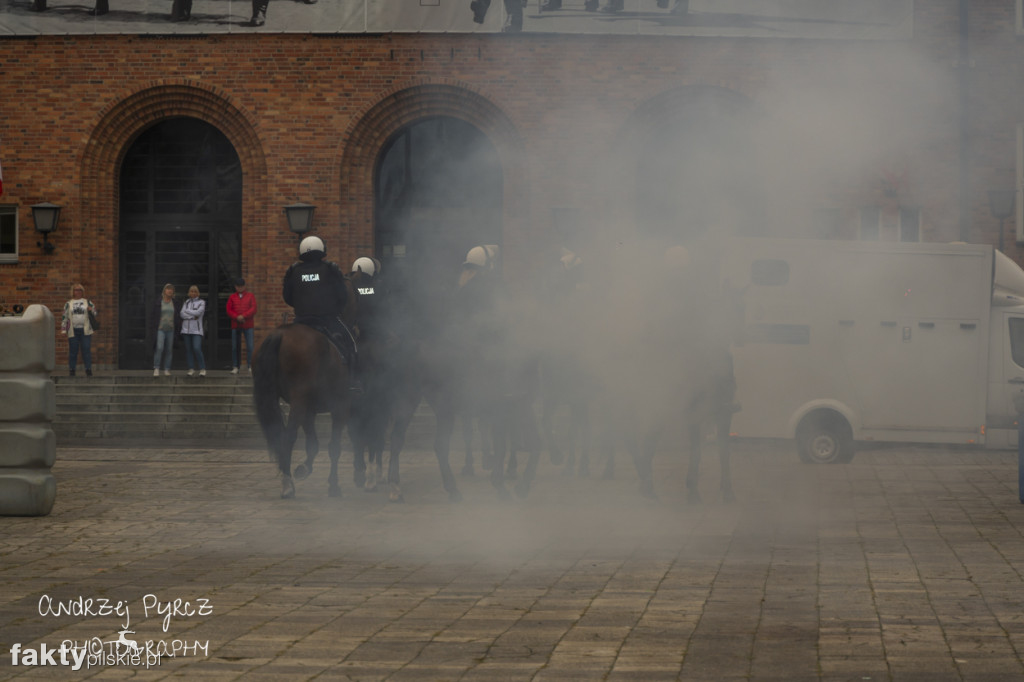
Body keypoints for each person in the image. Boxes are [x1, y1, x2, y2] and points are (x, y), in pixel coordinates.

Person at [282, 236, 357, 369]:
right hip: (328, 320)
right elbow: (342, 296)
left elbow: (287, 297)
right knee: (350, 343)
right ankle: (352, 379)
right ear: (321, 250)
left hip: (301, 320)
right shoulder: (330, 269)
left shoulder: (293, 271)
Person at [62, 284, 96, 377]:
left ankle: (88, 369)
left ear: (82, 291)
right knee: (73, 351)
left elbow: (95, 313)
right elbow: (65, 316)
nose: (78, 292)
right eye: (76, 290)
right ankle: (72, 369)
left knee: (86, 350)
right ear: (73, 292)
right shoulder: (68, 303)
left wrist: (91, 310)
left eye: (80, 290)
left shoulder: (87, 302)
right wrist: (64, 329)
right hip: (73, 331)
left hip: (85, 330)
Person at [227, 277, 257, 374]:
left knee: (250, 346)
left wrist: (243, 316)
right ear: (235, 287)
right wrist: (237, 317)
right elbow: (229, 309)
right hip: (236, 325)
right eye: (238, 286)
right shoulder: (232, 297)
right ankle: (235, 366)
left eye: (241, 286)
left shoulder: (250, 296)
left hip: (248, 324)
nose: (240, 288)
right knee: (235, 347)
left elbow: (253, 308)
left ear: (244, 286)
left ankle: (250, 365)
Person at [153, 283, 180, 377]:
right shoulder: (158, 302)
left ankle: (167, 369)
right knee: (159, 347)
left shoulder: (175, 302)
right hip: (160, 328)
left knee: (169, 350)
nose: (170, 291)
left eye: (172, 289)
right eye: (168, 289)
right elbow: (153, 315)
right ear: (164, 291)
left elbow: (177, 315)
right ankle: (156, 367)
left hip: (171, 329)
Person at [180, 285, 207, 377]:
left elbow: (199, 313)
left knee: (196, 348)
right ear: (189, 293)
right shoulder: (186, 302)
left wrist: (187, 311)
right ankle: (191, 369)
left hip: (197, 331)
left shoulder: (201, 302)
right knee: (189, 350)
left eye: (195, 291)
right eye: (191, 291)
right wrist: (191, 316)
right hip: (186, 330)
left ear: (198, 293)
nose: (193, 293)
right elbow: (181, 314)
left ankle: (202, 368)